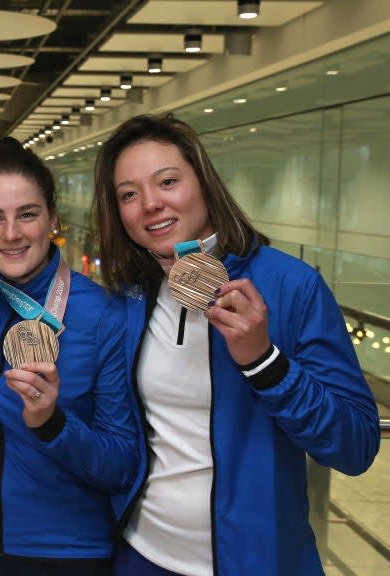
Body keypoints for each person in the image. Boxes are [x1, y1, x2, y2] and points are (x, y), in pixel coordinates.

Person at [91, 114, 380, 576]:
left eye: (167, 181)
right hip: (142, 556)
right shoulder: (129, 296)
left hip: (259, 561)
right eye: (128, 194)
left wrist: (266, 362)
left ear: (203, 183)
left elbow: (355, 446)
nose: (150, 204)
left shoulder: (291, 286)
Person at [0, 137, 139, 576]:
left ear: (52, 217)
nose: (11, 234)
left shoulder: (105, 313)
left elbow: (122, 465)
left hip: (68, 554)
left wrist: (53, 424)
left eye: (27, 214)